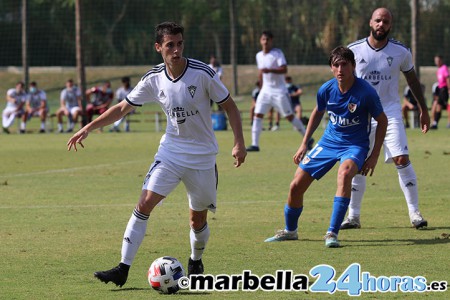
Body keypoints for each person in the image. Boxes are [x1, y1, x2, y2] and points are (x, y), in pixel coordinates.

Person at [67, 22, 246, 287]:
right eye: (170, 45)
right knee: (143, 204)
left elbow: (230, 107)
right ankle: (123, 268)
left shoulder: (202, 73)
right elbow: (121, 108)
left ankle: (195, 260)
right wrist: (89, 127)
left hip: (202, 157)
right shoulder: (153, 78)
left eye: (180, 44)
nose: (176, 50)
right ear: (158, 47)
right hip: (171, 152)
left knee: (197, 220)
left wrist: (239, 143)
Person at [264, 46, 387, 247]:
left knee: (345, 174)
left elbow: (382, 121)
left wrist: (374, 155)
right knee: (295, 186)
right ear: (331, 68)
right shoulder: (326, 89)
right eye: (336, 65)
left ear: (353, 66)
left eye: (344, 65)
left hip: (354, 145)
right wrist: (304, 143)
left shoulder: (366, 92)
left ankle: (332, 233)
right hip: (329, 142)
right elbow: (318, 112)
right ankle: (290, 231)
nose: (340, 69)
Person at [341, 7, 430, 230]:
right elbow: (342, 80)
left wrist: (423, 108)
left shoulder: (401, 52)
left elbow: (412, 80)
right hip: (361, 115)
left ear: (390, 25)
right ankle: (353, 216)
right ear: (371, 23)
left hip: (389, 112)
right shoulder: (354, 50)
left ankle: (414, 213)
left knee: (401, 158)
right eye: (378, 21)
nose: (382, 25)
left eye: (386, 21)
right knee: (357, 163)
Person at [246, 30, 311, 152]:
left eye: (267, 39)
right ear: (260, 41)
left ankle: (308, 139)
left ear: (271, 41)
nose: (265, 42)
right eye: (263, 39)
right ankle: (255, 144)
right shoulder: (259, 55)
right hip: (265, 90)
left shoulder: (277, 53)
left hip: (279, 91)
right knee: (258, 114)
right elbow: (261, 72)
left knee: (289, 116)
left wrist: (270, 70)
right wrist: (260, 86)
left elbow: (284, 69)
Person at [430, 55, 450, 129]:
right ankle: (435, 123)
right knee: (438, 105)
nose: (437, 62)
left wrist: (449, 89)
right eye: (436, 61)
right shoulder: (439, 70)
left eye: (438, 60)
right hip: (441, 90)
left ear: (441, 60)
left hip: (445, 89)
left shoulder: (444, 68)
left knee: (447, 106)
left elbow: (447, 78)